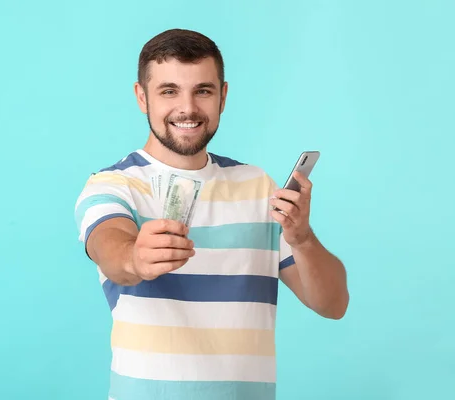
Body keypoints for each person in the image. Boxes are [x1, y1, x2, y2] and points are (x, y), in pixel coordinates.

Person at [74, 28, 349, 400]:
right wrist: (135, 257)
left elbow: (333, 305)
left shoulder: (256, 185)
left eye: (202, 90)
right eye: (169, 91)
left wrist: (302, 238)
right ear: (142, 97)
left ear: (223, 96)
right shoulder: (112, 185)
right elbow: (110, 249)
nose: (187, 108)